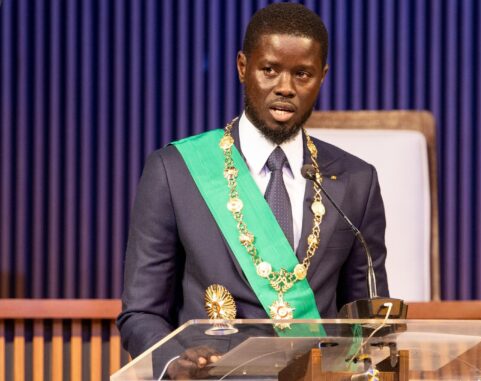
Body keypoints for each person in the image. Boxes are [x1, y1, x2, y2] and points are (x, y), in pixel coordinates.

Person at [116, 2, 390, 371]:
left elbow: (366, 318)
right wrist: (174, 362)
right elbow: (141, 312)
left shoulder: (357, 181)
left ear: (322, 77)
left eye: (302, 74)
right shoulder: (175, 171)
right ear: (243, 67)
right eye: (270, 70)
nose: (285, 88)